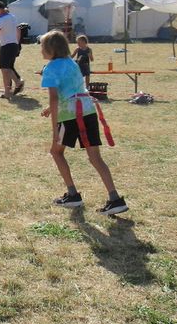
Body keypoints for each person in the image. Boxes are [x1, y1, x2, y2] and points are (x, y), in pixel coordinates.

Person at [39, 31, 128, 215]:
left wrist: (55, 129)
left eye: (42, 47)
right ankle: (115, 199)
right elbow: (73, 89)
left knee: (56, 152)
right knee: (95, 158)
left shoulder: (50, 68)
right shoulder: (72, 63)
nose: (40, 50)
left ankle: (73, 195)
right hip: (87, 110)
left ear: (50, 49)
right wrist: (50, 108)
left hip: (69, 115)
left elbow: (55, 98)